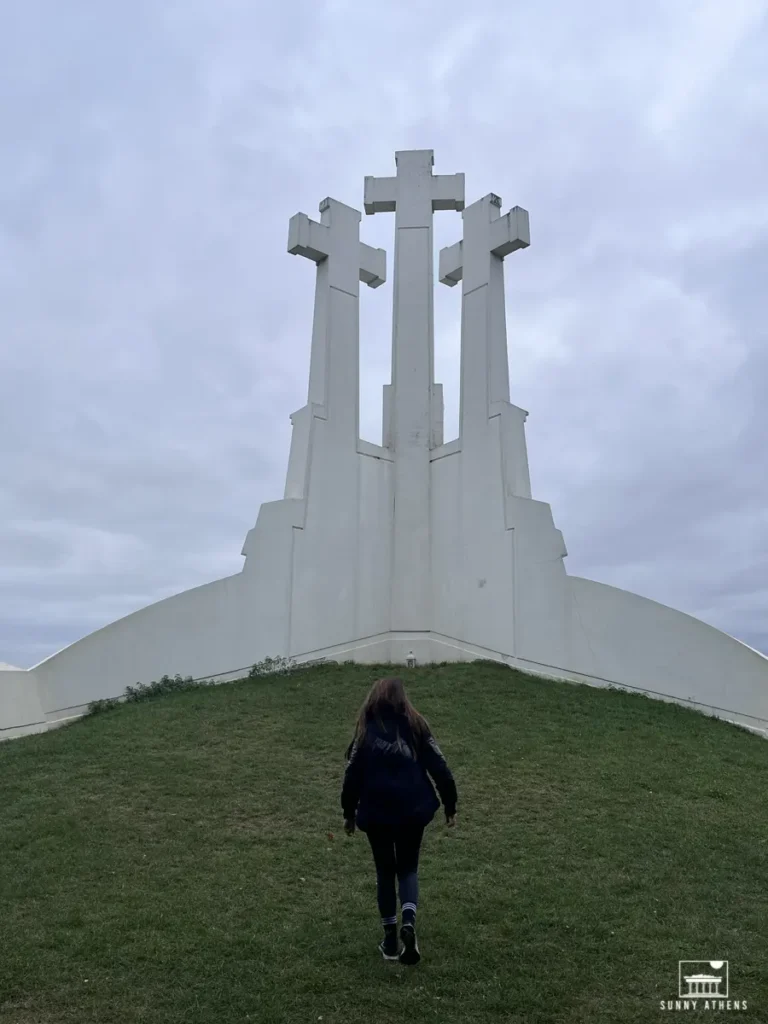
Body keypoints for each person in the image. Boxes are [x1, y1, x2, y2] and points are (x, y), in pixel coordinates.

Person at [340, 676, 457, 964]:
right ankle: (408, 922)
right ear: (403, 698)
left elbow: (351, 775)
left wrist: (348, 813)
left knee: (384, 872)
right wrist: (450, 804)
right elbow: (439, 766)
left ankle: (390, 940)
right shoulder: (417, 726)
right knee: (408, 869)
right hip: (412, 810)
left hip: (376, 812)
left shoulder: (365, 732)